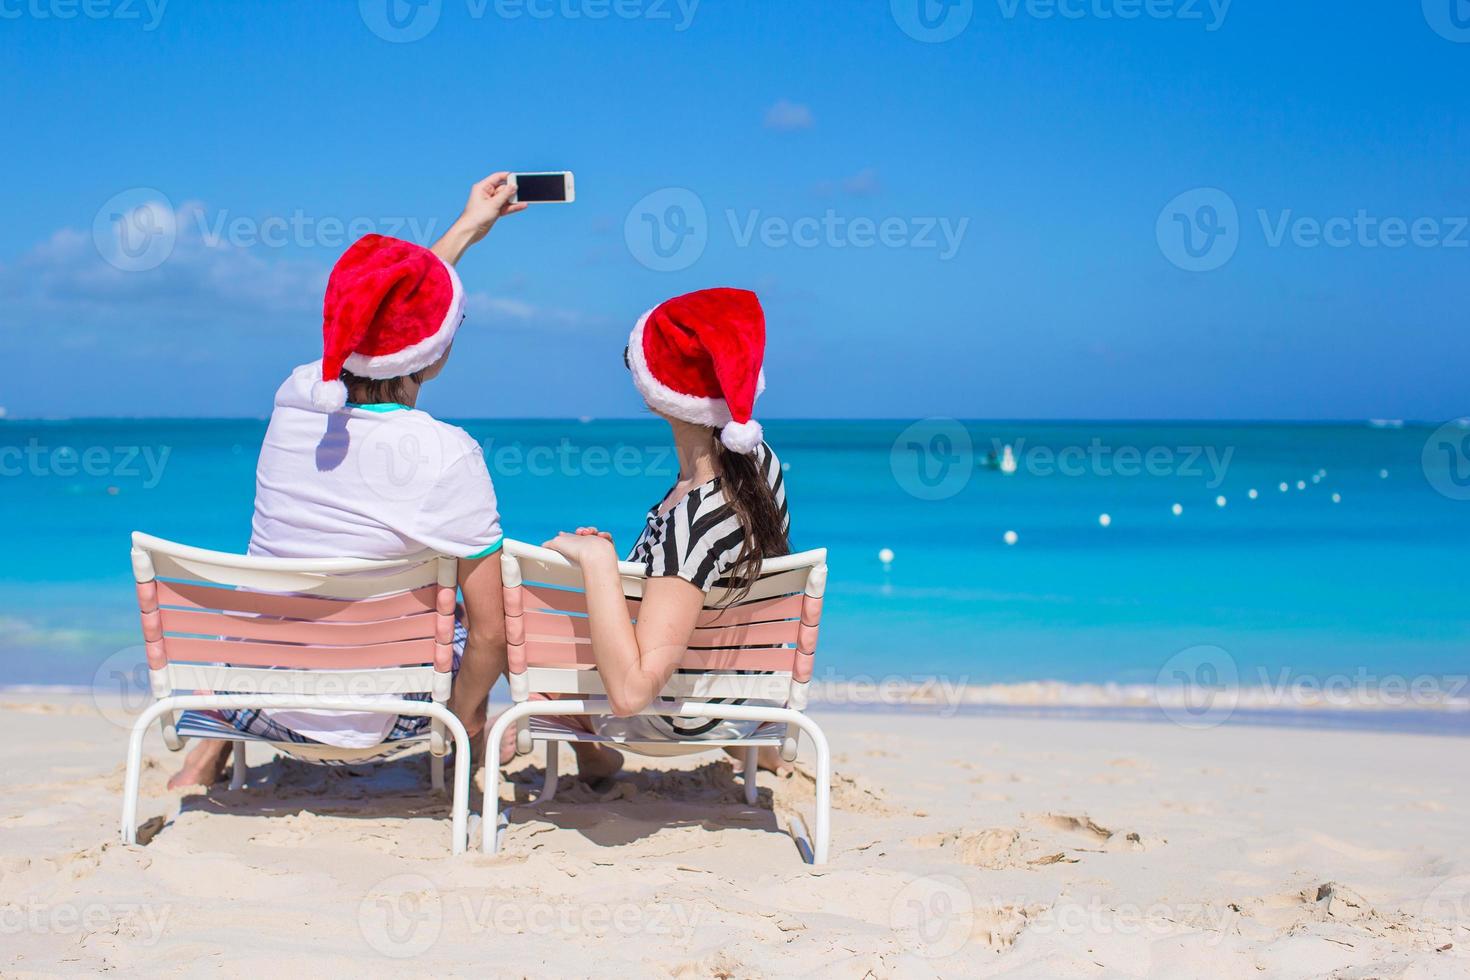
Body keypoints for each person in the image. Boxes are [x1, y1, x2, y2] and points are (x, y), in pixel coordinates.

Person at [169, 174, 532, 788]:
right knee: (493, 614)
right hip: (396, 722)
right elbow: (493, 634)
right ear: (437, 347)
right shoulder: (449, 454)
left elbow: (370, 323)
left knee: (282, 604)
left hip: (260, 708)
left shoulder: (294, 399)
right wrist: (465, 717)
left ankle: (202, 758)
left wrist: (468, 227)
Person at [542, 287, 792, 777]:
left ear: (661, 395)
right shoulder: (761, 466)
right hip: (743, 699)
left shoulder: (694, 525)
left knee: (522, 635)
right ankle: (754, 750)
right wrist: (627, 571)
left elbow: (633, 693)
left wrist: (596, 566)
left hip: (676, 720)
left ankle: (596, 759)